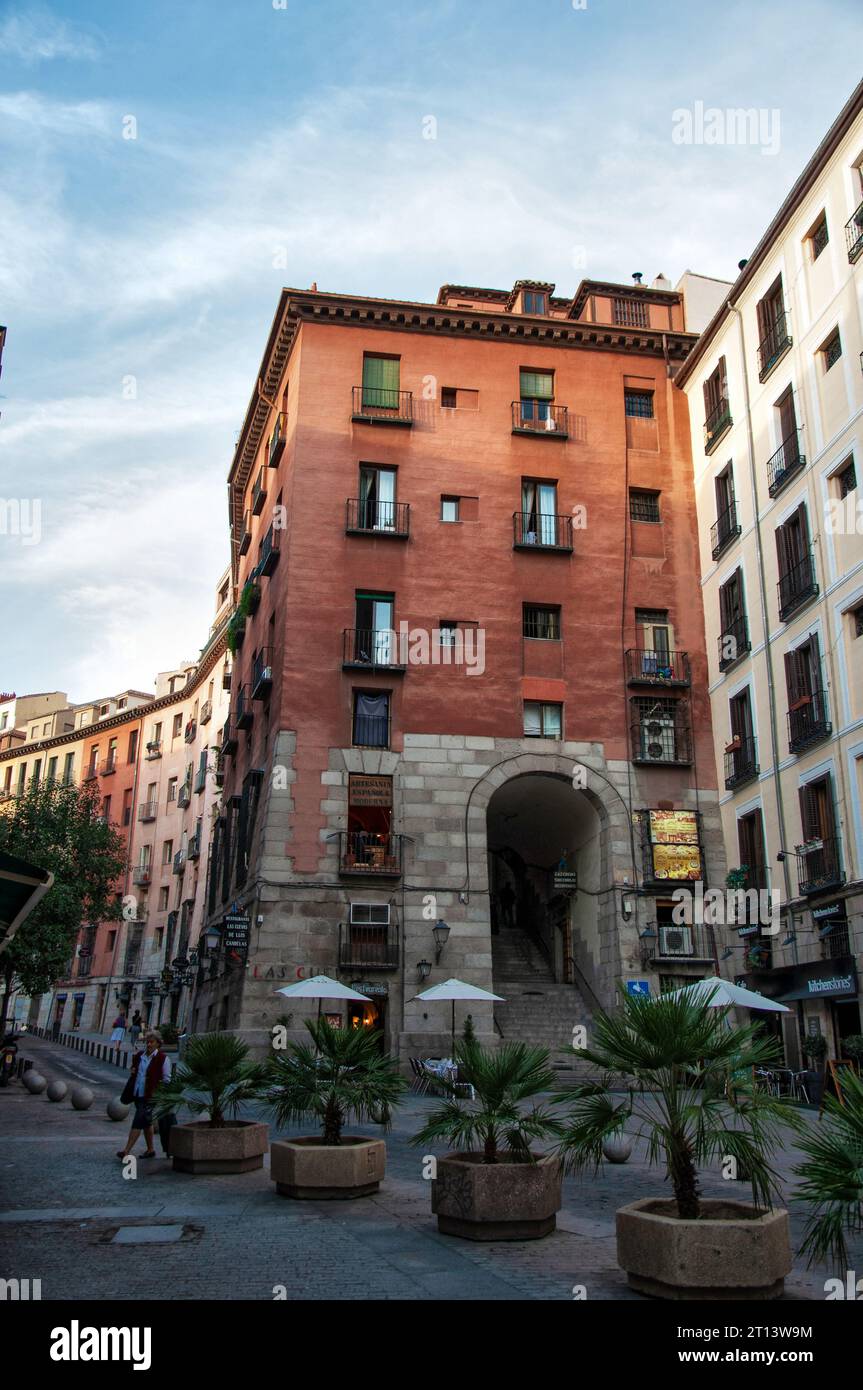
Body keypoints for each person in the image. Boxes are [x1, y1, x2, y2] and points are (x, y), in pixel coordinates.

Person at [117, 1030, 172, 1161]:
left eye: (152, 1042)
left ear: (158, 1044)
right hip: (137, 1093)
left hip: (150, 1096)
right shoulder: (140, 1056)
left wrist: (159, 1093)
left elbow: (167, 1079)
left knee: (138, 1121)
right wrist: (133, 1071)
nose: (148, 1044)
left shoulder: (163, 1059)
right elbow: (135, 1070)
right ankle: (151, 1149)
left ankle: (126, 1150)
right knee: (146, 1122)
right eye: (147, 1042)